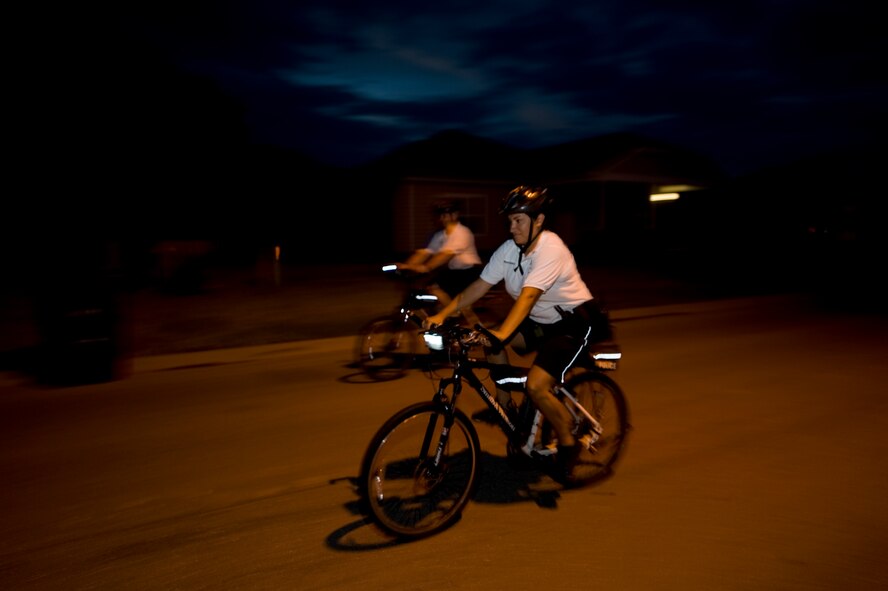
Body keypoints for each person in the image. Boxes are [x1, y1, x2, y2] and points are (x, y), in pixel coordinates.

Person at [424, 186, 606, 484]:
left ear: (539, 220)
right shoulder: (509, 251)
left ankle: (568, 445)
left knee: (536, 386)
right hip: (540, 322)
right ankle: (506, 408)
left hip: (573, 324)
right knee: (488, 340)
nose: (512, 227)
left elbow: (529, 296)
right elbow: (479, 286)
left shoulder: (551, 248)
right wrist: (441, 315)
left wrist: (504, 332)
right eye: (509, 221)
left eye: (518, 220)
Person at [396, 200, 483, 324]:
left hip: (470, 271)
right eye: (441, 215)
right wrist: (407, 265)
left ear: (455, 215)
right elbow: (425, 252)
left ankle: (456, 313)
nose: (442, 218)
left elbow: (446, 254)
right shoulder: (440, 235)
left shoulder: (462, 232)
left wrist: (426, 267)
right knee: (433, 293)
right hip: (455, 272)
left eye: (445, 215)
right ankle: (450, 315)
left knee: (437, 289)